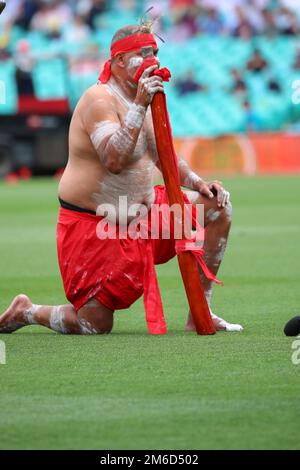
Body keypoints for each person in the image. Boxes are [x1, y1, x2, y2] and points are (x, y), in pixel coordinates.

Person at [0, 23, 243, 335]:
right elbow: (114, 159)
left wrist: (197, 182)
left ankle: (202, 312)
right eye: (142, 54)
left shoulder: (144, 97)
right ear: (117, 62)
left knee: (218, 206)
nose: (152, 60)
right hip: (95, 227)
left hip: (146, 218)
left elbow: (163, 154)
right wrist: (140, 105)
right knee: (94, 324)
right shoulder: (98, 99)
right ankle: (28, 311)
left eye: (155, 52)